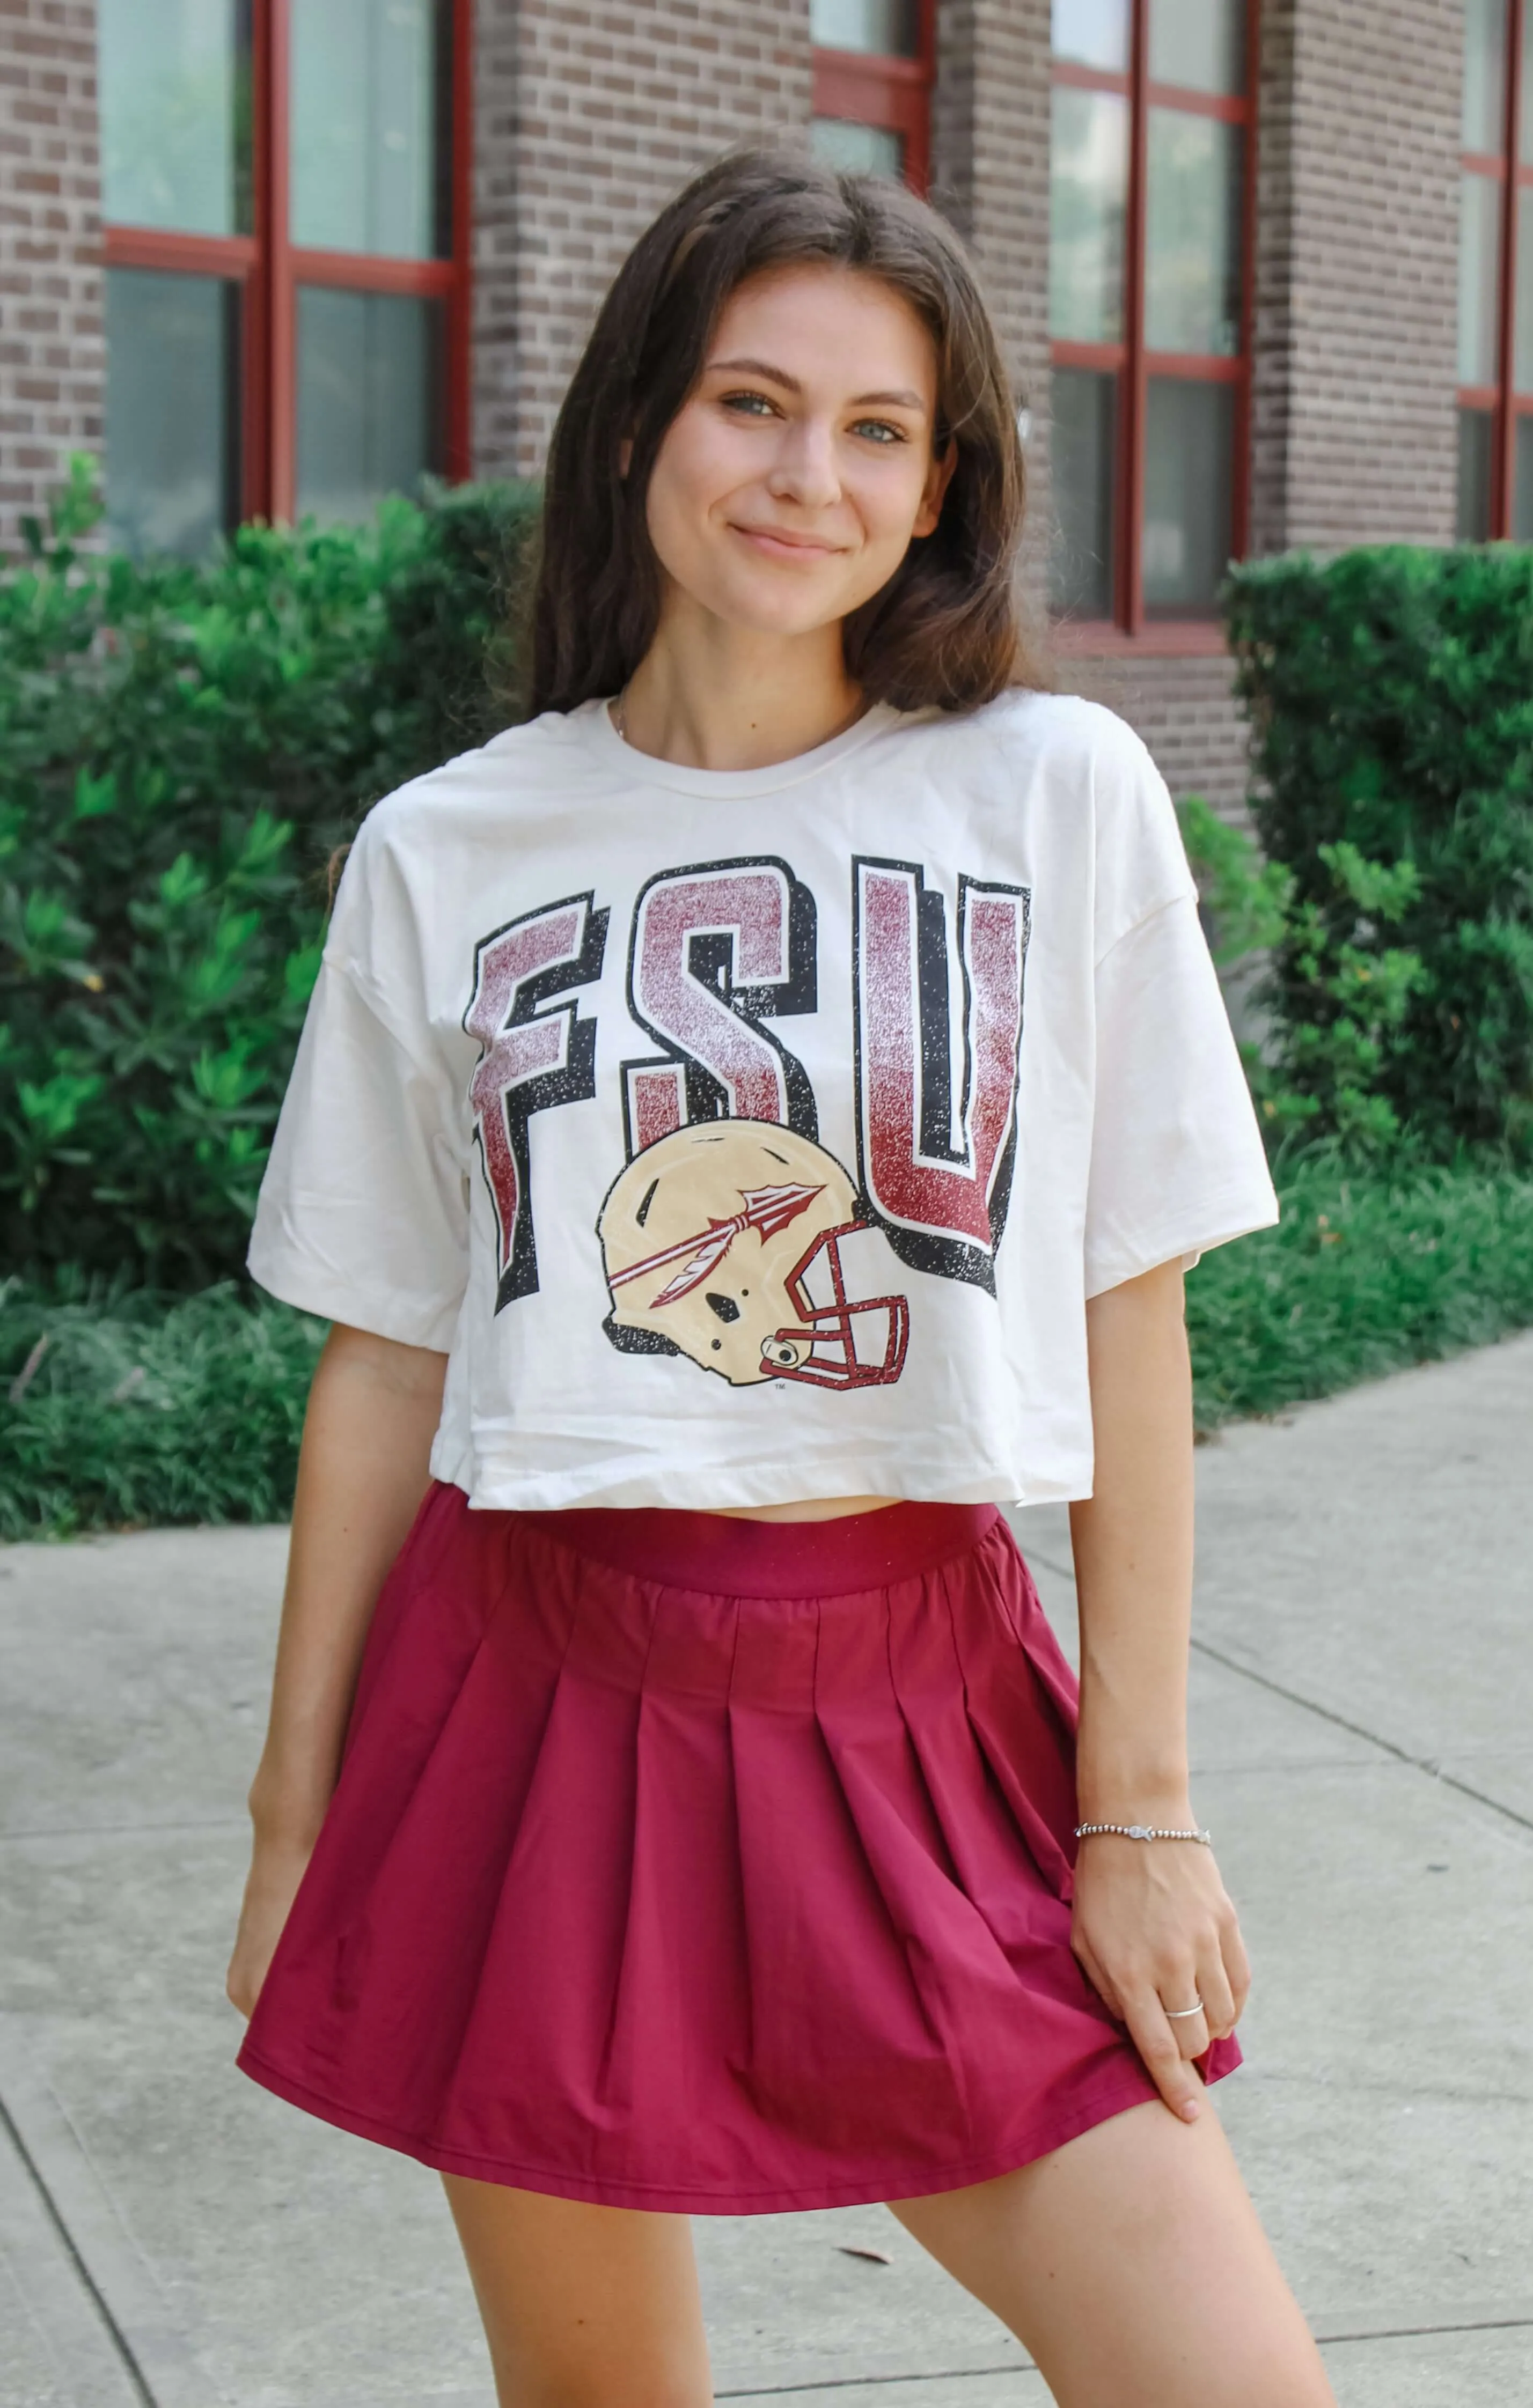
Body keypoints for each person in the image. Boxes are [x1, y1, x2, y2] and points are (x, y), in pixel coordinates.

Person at [226, 148, 1337, 2407]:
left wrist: (1141, 1804)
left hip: (928, 1704)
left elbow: (1132, 1307)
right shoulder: (449, 846)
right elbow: (381, 1355)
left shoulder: (1057, 791)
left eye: (875, 430)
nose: (803, 474)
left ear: (941, 489)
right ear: (641, 424)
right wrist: (296, 1818)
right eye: (751, 401)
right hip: (536, 1703)